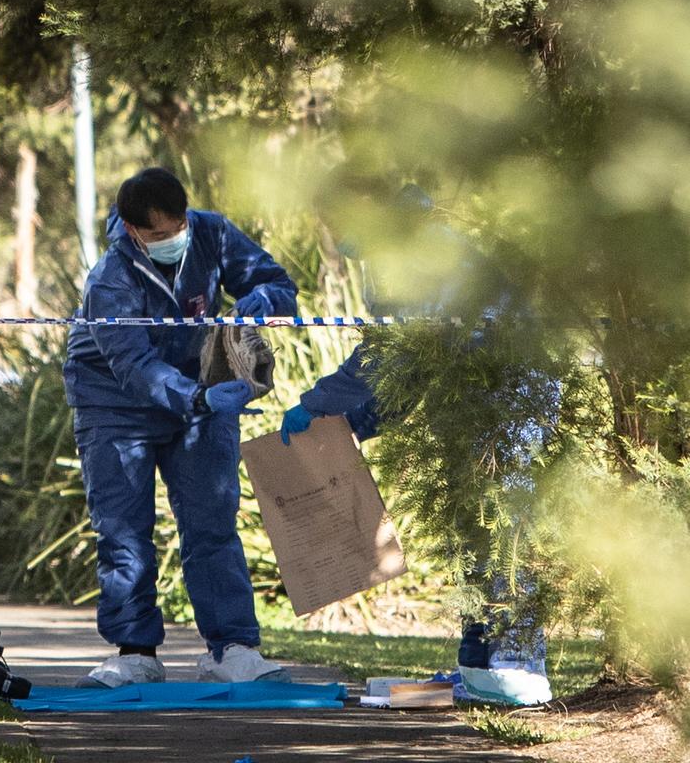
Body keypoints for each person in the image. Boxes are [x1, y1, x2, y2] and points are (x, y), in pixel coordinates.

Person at [279, 183, 554, 705]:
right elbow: (408, 373)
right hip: (464, 400)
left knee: (505, 530)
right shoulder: (387, 263)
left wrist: (319, 402)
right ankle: (480, 669)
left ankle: (519, 667)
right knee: (472, 533)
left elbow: (389, 358)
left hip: (510, 395)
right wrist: (354, 424)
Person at [64, 167, 299, 688]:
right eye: (157, 236)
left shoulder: (211, 233)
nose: (173, 240)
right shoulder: (110, 280)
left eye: (178, 228)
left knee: (212, 522)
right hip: (114, 403)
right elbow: (134, 366)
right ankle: (135, 652)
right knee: (124, 529)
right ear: (131, 231)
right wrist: (197, 397)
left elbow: (280, 284)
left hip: (201, 392)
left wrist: (264, 299)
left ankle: (232, 648)